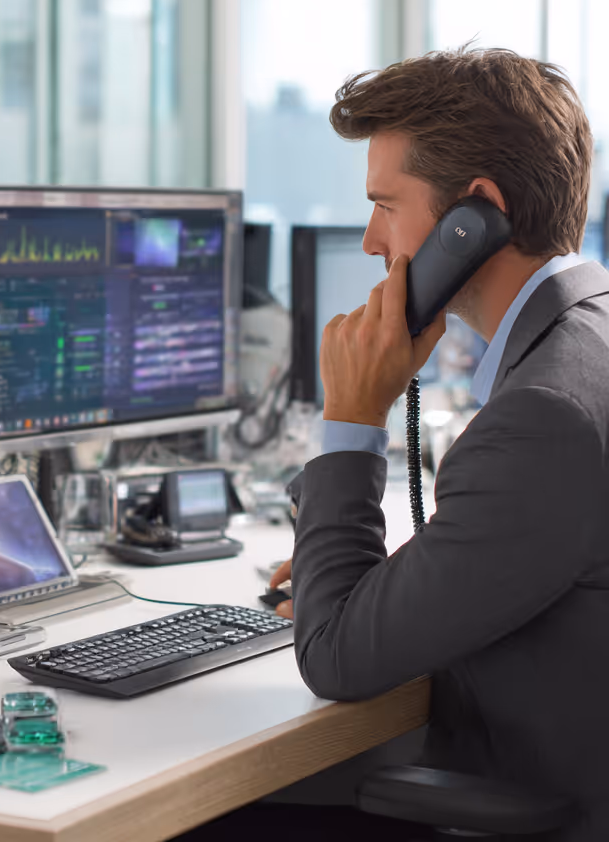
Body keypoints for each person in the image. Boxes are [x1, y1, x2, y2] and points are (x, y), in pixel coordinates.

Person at [192, 46, 609, 842]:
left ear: (472, 218)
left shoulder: (543, 415)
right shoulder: (586, 343)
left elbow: (335, 659)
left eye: (386, 204)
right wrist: (396, 584)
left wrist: (352, 416)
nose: (373, 243)